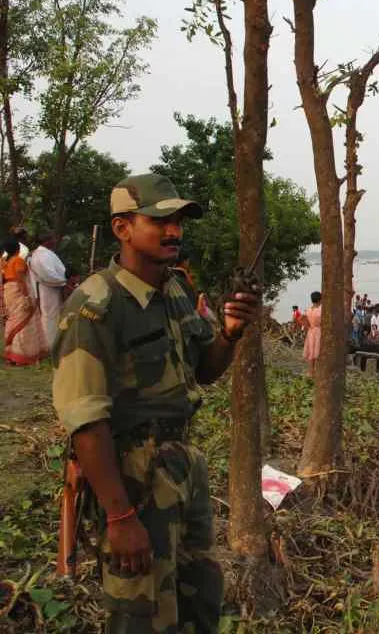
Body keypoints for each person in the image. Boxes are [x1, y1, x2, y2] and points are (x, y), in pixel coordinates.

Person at [51, 173, 259, 632]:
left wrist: (229, 332)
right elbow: (85, 421)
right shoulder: (96, 305)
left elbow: (204, 368)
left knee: (199, 595)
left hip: (184, 468)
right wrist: (121, 516)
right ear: (123, 228)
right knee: (139, 613)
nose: (174, 231)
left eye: (179, 222)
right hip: (131, 475)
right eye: (161, 220)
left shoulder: (176, 290)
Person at [2, 238, 48, 366]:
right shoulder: (17, 260)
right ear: (18, 248)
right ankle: (22, 356)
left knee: (13, 321)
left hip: (8, 292)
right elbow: (21, 279)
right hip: (18, 291)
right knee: (25, 322)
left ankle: (11, 355)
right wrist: (27, 297)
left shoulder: (3, 261)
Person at [28, 233, 67, 350]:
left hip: (53, 289)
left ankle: (55, 343)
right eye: (52, 239)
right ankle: (49, 345)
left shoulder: (45, 253)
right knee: (50, 317)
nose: (55, 241)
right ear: (46, 241)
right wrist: (64, 281)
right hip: (48, 290)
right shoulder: (41, 255)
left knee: (54, 315)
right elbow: (47, 275)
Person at [303, 291, 322, 376]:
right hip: (319, 330)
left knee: (311, 352)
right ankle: (317, 371)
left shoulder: (308, 310)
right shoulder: (321, 309)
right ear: (320, 299)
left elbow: (304, 322)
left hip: (311, 331)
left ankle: (310, 372)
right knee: (318, 351)